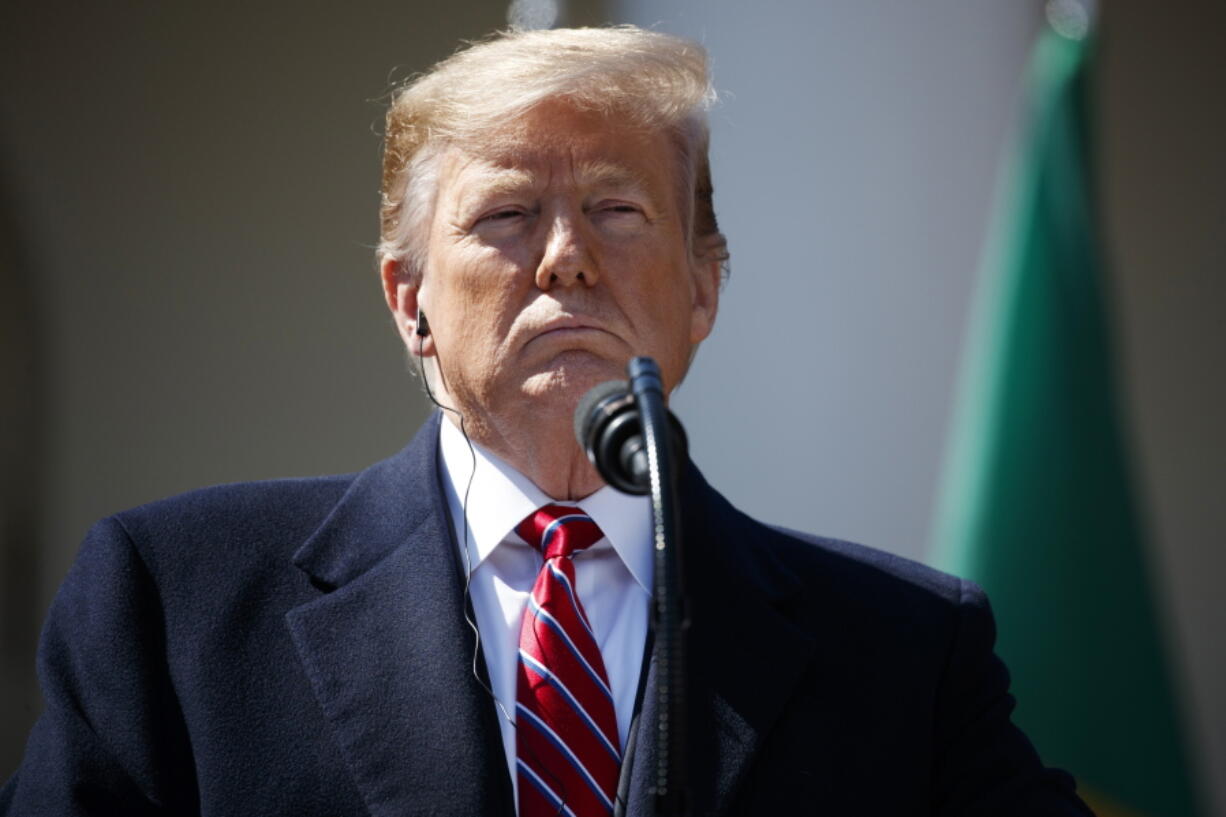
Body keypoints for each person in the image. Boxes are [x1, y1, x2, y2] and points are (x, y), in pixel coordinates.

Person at [1, 26, 1094, 817]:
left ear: (704, 288)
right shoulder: (177, 608)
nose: (565, 255)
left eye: (616, 210)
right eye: (508, 215)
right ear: (408, 300)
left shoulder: (905, 651)